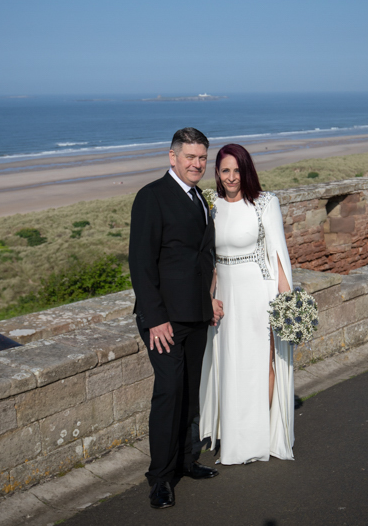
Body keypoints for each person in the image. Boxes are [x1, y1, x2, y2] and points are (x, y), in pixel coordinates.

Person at [129, 127, 224, 509]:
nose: (197, 164)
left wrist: (210, 300)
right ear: (172, 157)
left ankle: (186, 461)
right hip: (164, 319)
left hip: (197, 314)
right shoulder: (152, 197)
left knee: (189, 393)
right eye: (190, 157)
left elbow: (200, 258)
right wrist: (155, 319)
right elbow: (141, 262)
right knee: (168, 395)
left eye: (202, 158)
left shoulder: (200, 197)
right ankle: (161, 479)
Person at [199, 143, 295, 465]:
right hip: (225, 294)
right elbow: (209, 259)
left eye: (237, 170)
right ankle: (233, 436)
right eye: (225, 170)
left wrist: (285, 303)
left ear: (246, 171)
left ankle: (258, 438)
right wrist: (208, 297)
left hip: (257, 291)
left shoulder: (265, 203)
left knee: (259, 364)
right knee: (229, 364)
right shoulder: (211, 204)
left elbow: (278, 255)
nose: (231, 177)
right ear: (217, 173)